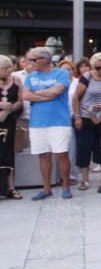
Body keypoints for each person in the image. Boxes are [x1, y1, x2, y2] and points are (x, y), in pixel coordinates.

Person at [21, 47, 75, 200]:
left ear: (45, 60)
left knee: (61, 155)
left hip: (58, 121)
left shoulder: (61, 73)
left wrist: (36, 93)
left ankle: (65, 186)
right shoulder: (31, 77)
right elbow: (25, 94)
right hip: (37, 122)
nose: (30, 62)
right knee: (43, 156)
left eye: (33, 59)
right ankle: (46, 188)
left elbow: (57, 91)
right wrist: (46, 92)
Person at [72, 52, 101, 191]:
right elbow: (75, 97)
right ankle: (84, 179)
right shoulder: (87, 77)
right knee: (84, 147)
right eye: (98, 68)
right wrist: (77, 116)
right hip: (86, 116)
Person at [0, 55, 24, 199]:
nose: (8, 71)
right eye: (4, 68)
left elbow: (20, 101)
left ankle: (10, 187)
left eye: (9, 67)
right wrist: (2, 106)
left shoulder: (17, 80)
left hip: (9, 121)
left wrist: (9, 110)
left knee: (8, 153)